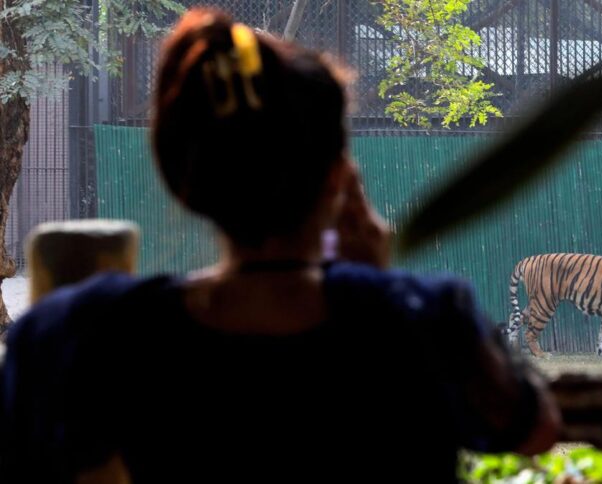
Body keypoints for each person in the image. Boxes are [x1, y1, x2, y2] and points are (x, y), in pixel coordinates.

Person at [0, 8, 560, 483]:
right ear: (338, 180)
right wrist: (375, 283)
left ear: (180, 180)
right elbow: (533, 427)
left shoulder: (86, 332)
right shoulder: (423, 319)